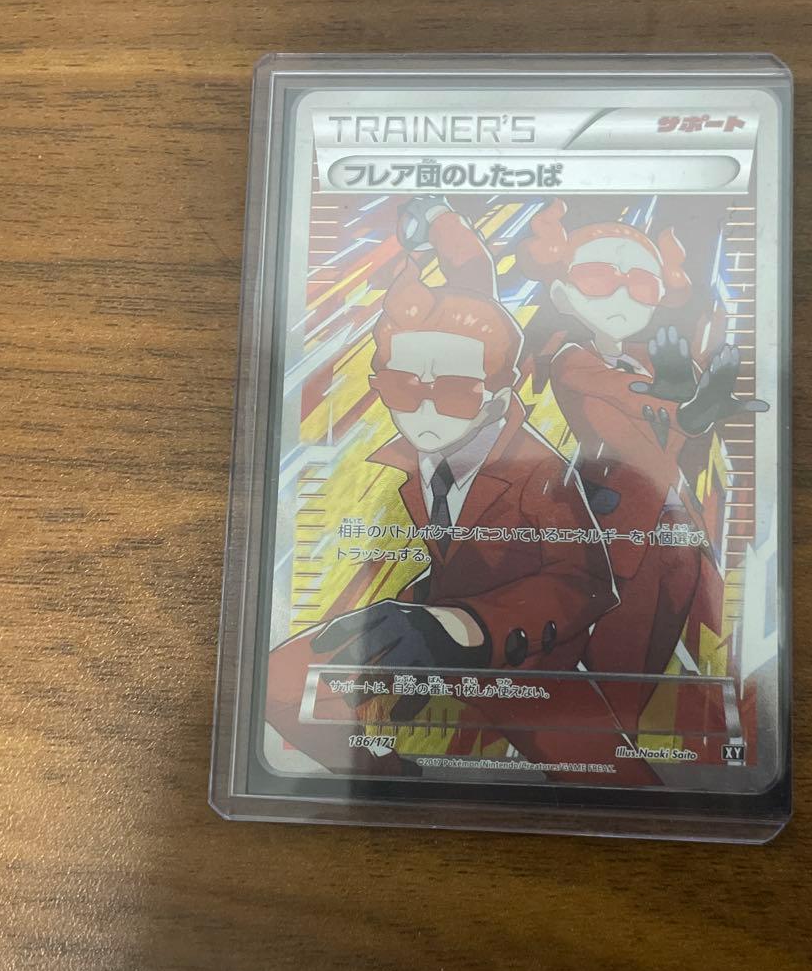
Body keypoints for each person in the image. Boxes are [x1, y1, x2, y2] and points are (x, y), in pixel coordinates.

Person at [266, 197, 661, 784]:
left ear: (500, 397)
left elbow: (586, 585)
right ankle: (387, 788)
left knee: (618, 785)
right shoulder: (424, 449)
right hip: (427, 618)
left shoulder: (539, 474)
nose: (424, 411)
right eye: (402, 387)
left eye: (453, 393)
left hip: (519, 657)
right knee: (280, 681)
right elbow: (471, 281)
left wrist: (460, 631)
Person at [514, 198, 767, 734]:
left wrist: (697, 399)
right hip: (619, 531)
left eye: (642, 284)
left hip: (679, 524)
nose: (623, 295)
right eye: (598, 277)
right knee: (621, 660)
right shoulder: (573, 359)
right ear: (562, 294)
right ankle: (602, 750)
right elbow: (628, 395)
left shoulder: (655, 359)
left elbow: (677, 420)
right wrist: (688, 406)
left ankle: (719, 741)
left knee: (709, 645)